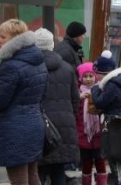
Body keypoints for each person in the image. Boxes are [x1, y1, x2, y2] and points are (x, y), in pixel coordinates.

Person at [0, 19, 47, 185]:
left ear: (15, 40)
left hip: (15, 127)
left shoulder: (10, 66)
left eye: (3, 37)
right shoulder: (38, 61)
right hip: (34, 123)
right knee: (32, 174)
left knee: (18, 179)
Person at [35, 28, 80, 185]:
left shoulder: (31, 68)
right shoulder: (67, 68)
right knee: (58, 170)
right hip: (63, 125)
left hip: (39, 124)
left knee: (37, 172)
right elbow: (75, 99)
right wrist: (69, 116)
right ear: (52, 44)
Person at [91, 50, 121, 185]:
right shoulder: (118, 81)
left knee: (114, 156)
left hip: (113, 123)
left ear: (104, 72)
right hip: (118, 121)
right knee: (118, 157)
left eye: (97, 74)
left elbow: (100, 102)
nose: (96, 77)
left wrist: (94, 89)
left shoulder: (112, 84)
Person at [77, 62, 107, 185]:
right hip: (83, 134)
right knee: (86, 162)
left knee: (100, 161)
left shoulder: (101, 90)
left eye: (91, 76)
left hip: (98, 133)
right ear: (80, 78)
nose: (88, 79)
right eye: (85, 76)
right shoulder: (78, 93)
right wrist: (79, 98)